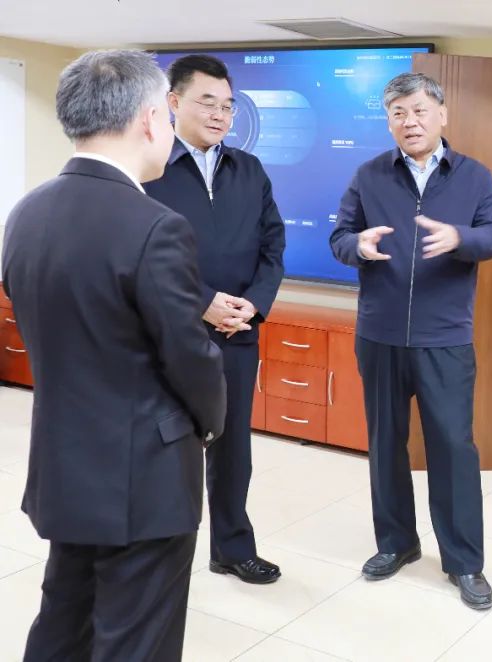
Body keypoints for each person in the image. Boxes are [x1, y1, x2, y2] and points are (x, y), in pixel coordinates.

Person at [3, 49, 226, 661]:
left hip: (64, 466)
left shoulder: (25, 213)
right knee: (136, 641)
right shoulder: (155, 225)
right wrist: (211, 422)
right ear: (150, 119)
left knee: (64, 623)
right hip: (143, 479)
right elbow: (190, 356)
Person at [329, 72, 492, 610]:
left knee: (453, 448)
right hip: (380, 334)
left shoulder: (474, 176)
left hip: (444, 338)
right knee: (385, 443)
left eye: (419, 111)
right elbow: (339, 237)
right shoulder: (369, 175)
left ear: (442, 115)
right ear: (389, 121)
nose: (410, 122)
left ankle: (464, 561)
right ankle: (396, 543)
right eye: (398, 113)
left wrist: (461, 238)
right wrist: (357, 246)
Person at [145, 54, 286, 584]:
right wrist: (202, 300)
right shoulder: (150, 170)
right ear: (173, 102)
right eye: (208, 102)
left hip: (237, 333)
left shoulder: (249, 169)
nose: (220, 114)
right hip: (169, 333)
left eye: (228, 106)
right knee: (167, 444)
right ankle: (158, 555)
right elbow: (142, 256)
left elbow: (273, 246)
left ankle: (231, 548)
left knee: (232, 449)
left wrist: (255, 303)